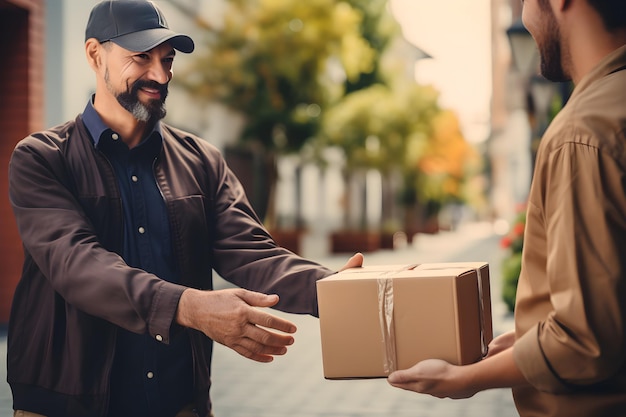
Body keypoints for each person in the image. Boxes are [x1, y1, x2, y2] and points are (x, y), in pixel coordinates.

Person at [6, 1, 363, 416]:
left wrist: (336, 290)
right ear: (94, 54)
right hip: (66, 401)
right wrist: (188, 306)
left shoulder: (201, 161)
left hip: (178, 400)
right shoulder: (42, 158)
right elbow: (76, 264)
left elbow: (251, 252)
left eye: (168, 59)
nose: (160, 75)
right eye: (141, 57)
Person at [386, 0, 626, 416]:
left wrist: (464, 379)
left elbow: (586, 341)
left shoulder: (583, 132)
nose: (526, 20)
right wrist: (533, 339)